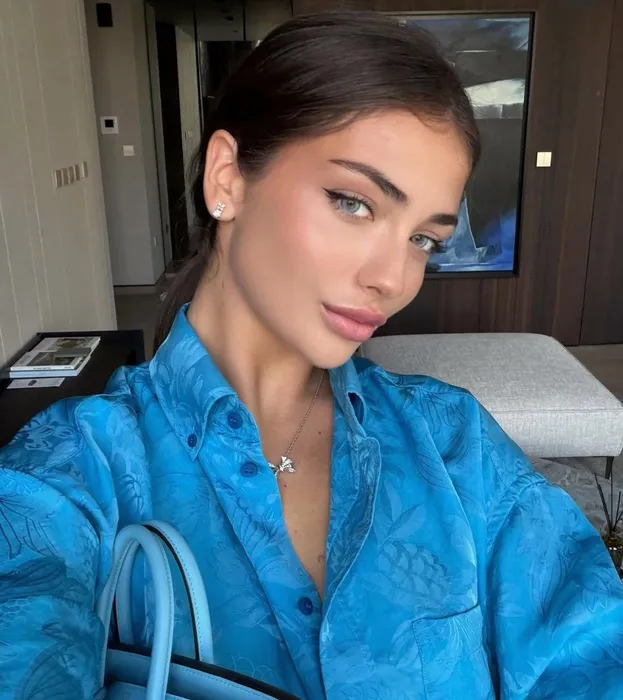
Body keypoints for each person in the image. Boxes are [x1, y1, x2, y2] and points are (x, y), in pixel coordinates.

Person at [0, 11, 622, 700]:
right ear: (227, 179)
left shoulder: (453, 443)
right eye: (354, 203)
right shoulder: (77, 467)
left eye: (423, 239)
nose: (392, 278)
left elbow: (591, 649)